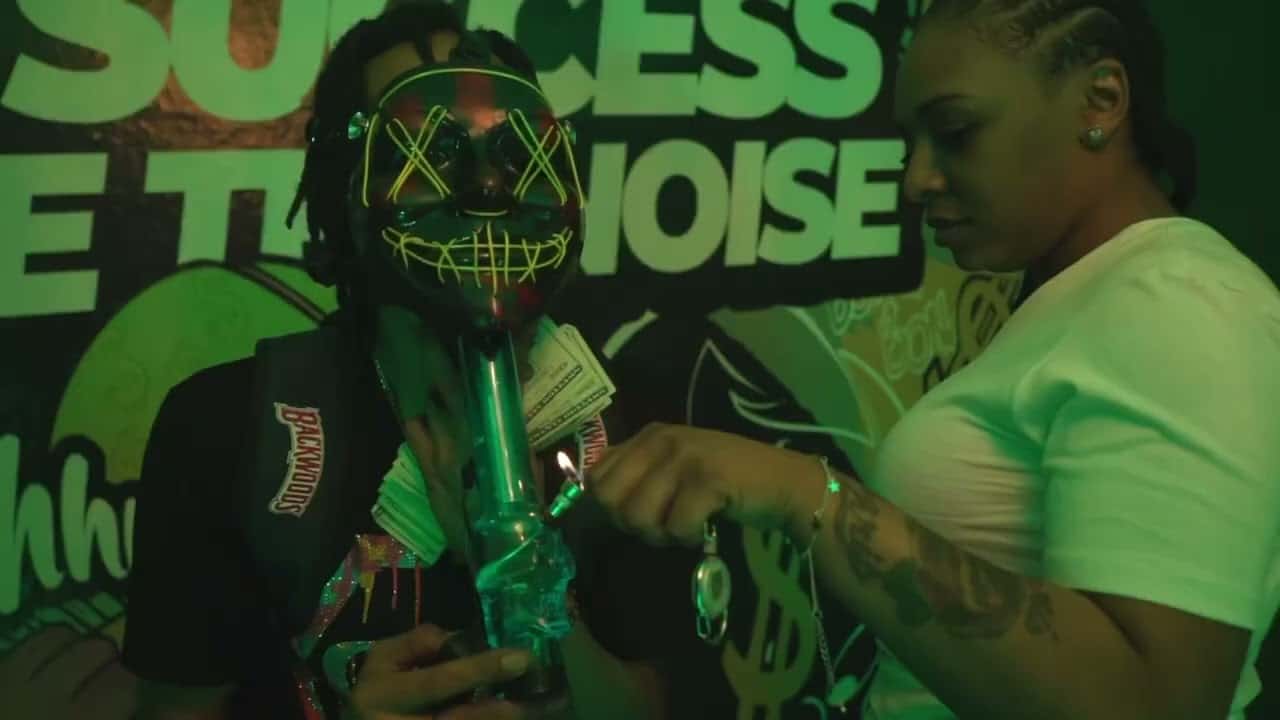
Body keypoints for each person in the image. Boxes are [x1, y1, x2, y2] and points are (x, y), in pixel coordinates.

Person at [587, 1, 1280, 719]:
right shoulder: (1083, 302)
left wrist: (808, 494)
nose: (916, 180)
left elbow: (1154, 703)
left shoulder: (1179, 300)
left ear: (1099, 101)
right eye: (910, 145)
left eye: (955, 132)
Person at [122, 3, 726, 718]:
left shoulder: (633, 428)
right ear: (347, 191)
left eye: (512, 148)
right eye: (427, 147)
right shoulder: (228, 432)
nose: (485, 185)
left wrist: (526, 580)